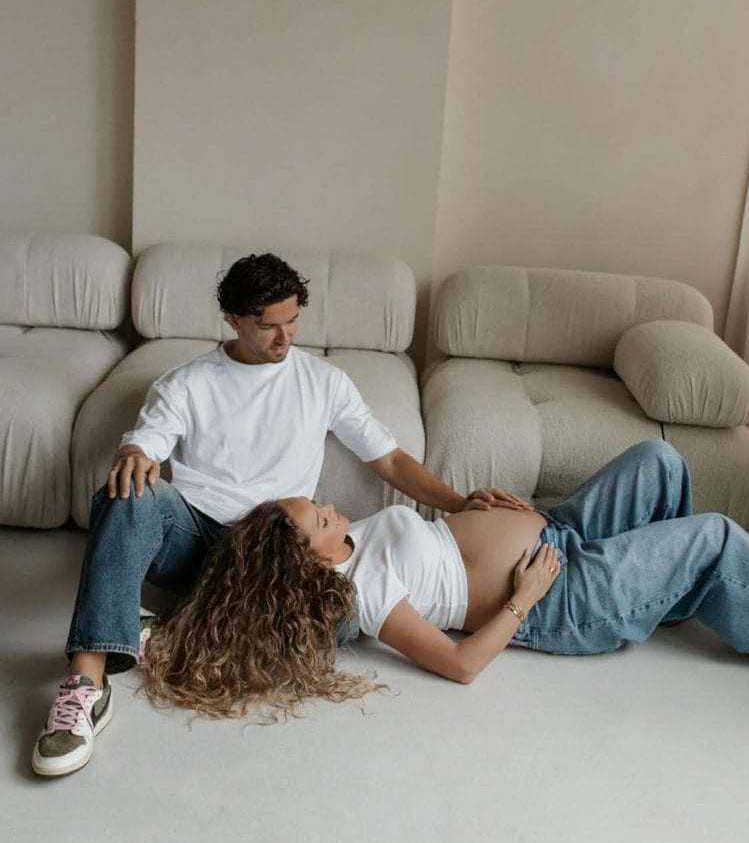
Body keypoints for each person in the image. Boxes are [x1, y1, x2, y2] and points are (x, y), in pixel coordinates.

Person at [32, 252, 525, 777]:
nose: (284, 337)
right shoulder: (186, 383)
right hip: (198, 540)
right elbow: (144, 445)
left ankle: (170, 632)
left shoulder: (323, 381)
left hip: (275, 555)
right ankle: (86, 685)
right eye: (268, 326)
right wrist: (133, 455)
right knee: (125, 492)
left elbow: (389, 459)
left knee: (341, 616)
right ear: (233, 320)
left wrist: (458, 502)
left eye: (292, 321)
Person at [142, 439, 749, 720]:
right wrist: (523, 599)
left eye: (316, 502)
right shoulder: (362, 593)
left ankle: (669, 592)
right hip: (558, 592)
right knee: (714, 536)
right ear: (306, 560)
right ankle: (684, 587)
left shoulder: (347, 538)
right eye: (318, 515)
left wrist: (472, 507)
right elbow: (459, 665)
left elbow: (433, 543)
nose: (329, 505)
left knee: (660, 460)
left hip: (558, 531)